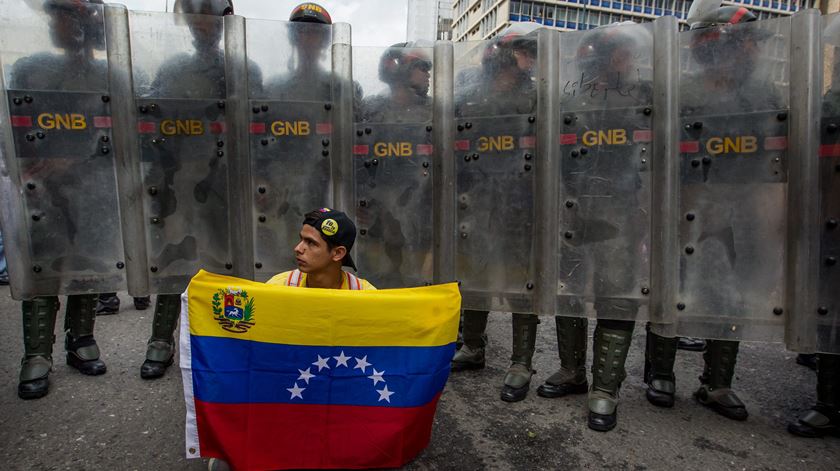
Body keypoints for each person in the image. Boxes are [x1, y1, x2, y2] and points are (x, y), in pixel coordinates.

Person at [645, 3, 779, 421]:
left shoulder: (764, 95)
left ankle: (718, 383)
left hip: (742, 204)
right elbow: (655, 156)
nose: (754, 52)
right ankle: (661, 373)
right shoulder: (681, 92)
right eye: (747, 44)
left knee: (733, 292)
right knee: (673, 285)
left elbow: (776, 159)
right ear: (715, 46)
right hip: (685, 202)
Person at [536, 22, 652, 431]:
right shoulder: (571, 101)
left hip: (622, 207)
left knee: (616, 291)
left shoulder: (643, 97)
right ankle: (572, 371)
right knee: (568, 286)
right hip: (573, 204)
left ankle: (605, 387)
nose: (631, 61)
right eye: (623, 54)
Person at [138, 0, 262, 379]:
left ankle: (229, 340)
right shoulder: (173, 69)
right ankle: (161, 339)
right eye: (196, 21)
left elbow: (260, 127)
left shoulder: (244, 70)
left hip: (229, 182)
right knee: (175, 258)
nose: (202, 27)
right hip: (181, 180)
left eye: (209, 20)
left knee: (231, 261)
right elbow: (155, 124)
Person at [208, 208, 372, 470]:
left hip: (337, 387)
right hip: (287, 384)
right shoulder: (279, 286)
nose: (298, 248)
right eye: (300, 239)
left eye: (311, 243)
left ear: (338, 254)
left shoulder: (366, 295)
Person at [11, 0, 109, 399]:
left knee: (88, 264)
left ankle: (81, 338)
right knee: (43, 269)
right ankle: (37, 353)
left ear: (87, 24)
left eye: (65, 15)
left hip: (91, 186)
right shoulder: (30, 69)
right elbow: (15, 124)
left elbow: (117, 134)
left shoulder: (106, 75)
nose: (56, 22)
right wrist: (29, 167)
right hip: (42, 188)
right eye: (54, 15)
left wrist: (75, 159)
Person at [450, 23, 541, 403]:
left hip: (521, 200)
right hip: (478, 198)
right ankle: (473, 346)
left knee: (523, 282)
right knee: (474, 273)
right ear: (503, 54)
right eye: (523, 51)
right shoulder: (469, 98)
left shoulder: (537, 98)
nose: (530, 60)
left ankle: (521, 362)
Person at [354, 42, 434, 287]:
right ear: (400, 69)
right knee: (375, 279)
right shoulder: (370, 110)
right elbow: (355, 160)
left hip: (420, 211)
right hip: (377, 213)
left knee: (415, 282)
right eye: (422, 67)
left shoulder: (435, 111)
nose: (428, 74)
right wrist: (358, 200)